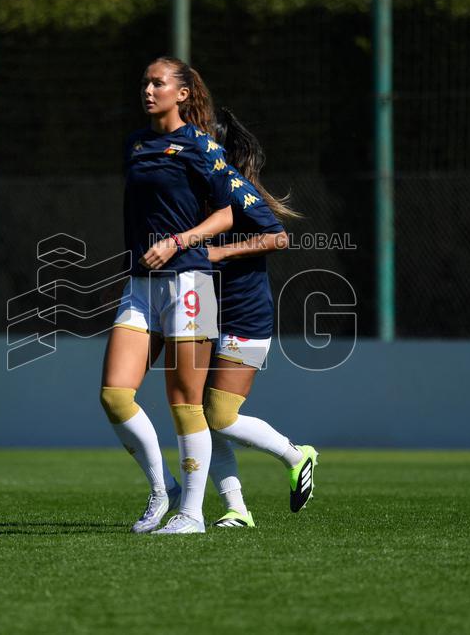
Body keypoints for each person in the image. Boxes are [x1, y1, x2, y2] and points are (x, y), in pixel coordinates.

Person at [99, 56, 234, 535]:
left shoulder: (202, 145)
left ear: (182, 93)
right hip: (140, 285)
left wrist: (178, 241)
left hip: (189, 283)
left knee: (184, 402)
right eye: (145, 82)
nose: (148, 89)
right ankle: (164, 490)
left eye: (158, 83)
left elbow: (226, 216)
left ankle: (192, 514)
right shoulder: (135, 144)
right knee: (115, 396)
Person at [203, 107, 318, 528]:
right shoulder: (194, 187)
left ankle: (295, 455)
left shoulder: (233, 185)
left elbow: (277, 237)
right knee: (202, 419)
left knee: (219, 415)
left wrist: (218, 252)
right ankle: (236, 510)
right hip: (202, 317)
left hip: (243, 317)